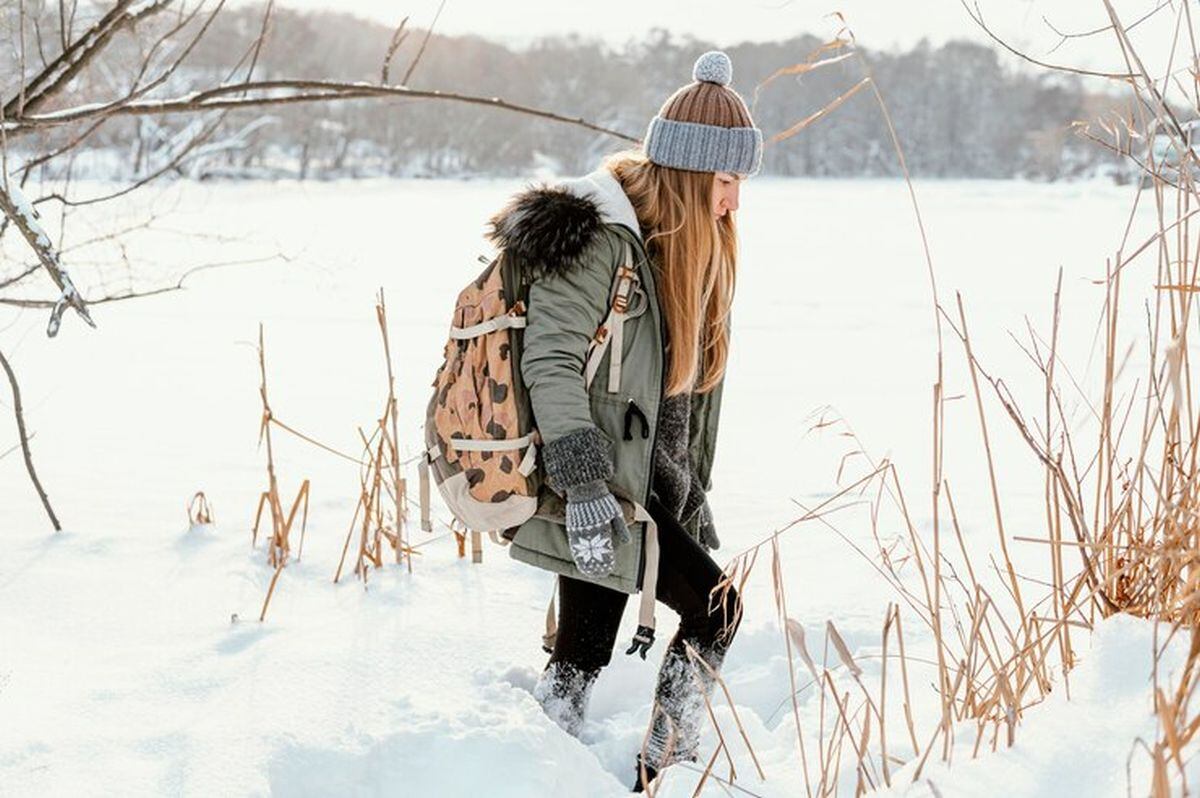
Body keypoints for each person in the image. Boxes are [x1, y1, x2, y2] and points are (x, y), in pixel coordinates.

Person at [485, 50, 761, 792]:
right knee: (718, 611)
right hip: (599, 484)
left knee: (580, 651)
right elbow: (548, 362)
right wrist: (582, 488)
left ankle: (531, 771)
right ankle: (665, 767)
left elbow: (677, 399)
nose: (735, 201)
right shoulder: (603, 242)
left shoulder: (674, 249)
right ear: (693, 175)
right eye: (727, 182)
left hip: (639, 481)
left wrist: (686, 490)